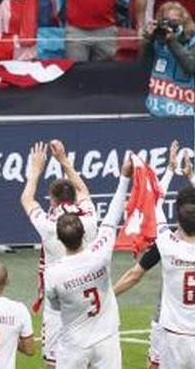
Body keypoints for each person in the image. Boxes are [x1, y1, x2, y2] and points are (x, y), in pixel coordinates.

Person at [112, 151, 195, 369]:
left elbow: (154, 203)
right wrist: (191, 175)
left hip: (173, 336)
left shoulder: (167, 244)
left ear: (178, 220)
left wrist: (170, 170)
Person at [41, 153, 133, 369]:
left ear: (60, 239)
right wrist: (124, 178)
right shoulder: (101, 253)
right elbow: (112, 217)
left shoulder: (53, 274)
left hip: (74, 342)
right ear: (83, 232)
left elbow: (55, 306)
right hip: (106, 337)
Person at [19, 139, 97, 369]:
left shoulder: (49, 225)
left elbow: (26, 199)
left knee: (53, 363)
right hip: (85, 298)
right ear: (73, 197)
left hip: (58, 302)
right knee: (88, 360)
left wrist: (35, 169)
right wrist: (64, 160)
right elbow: (84, 191)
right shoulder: (89, 217)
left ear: (52, 200)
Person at [142, 1, 195, 116]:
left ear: (184, 21)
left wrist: (171, 41)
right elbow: (143, 65)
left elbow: (190, 66)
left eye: (174, 21)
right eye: (166, 21)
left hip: (186, 110)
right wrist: (148, 40)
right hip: (157, 109)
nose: (169, 25)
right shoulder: (158, 39)